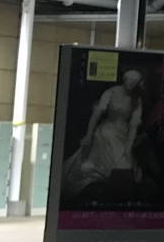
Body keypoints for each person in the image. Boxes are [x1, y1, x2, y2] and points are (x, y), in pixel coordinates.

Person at [61, 69, 145, 206]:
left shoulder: (137, 100)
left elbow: (134, 125)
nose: (131, 84)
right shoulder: (111, 92)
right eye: (130, 80)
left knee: (126, 164)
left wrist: (129, 146)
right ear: (124, 80)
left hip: (123, 135)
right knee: (107, 165)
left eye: (135, 82)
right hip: (106, 132)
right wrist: (89, 134)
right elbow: (97, 114)